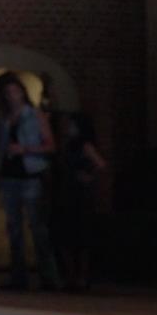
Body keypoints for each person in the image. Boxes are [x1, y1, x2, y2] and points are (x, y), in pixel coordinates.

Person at [0, 76, 61, 290]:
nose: (12, 96)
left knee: (37, 227)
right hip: (9, 177)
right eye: (8, 93)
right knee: (14, 229)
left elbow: (50, 145)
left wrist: (25, 149)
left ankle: (49, 277)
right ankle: (18, 277)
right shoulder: (5, 118)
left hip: (30, 176)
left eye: (15, 91)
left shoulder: (35, 115)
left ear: (22, 93)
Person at [52, 112, 108, 292]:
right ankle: (70, 276)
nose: (69, 129)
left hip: (80, 194)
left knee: (82, 235)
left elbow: (101, 164)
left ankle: (82, 276)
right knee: (67, 235)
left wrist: (89, 176)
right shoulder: (68, 145)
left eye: (72, 125)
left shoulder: (85, 146)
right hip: (67, 192)